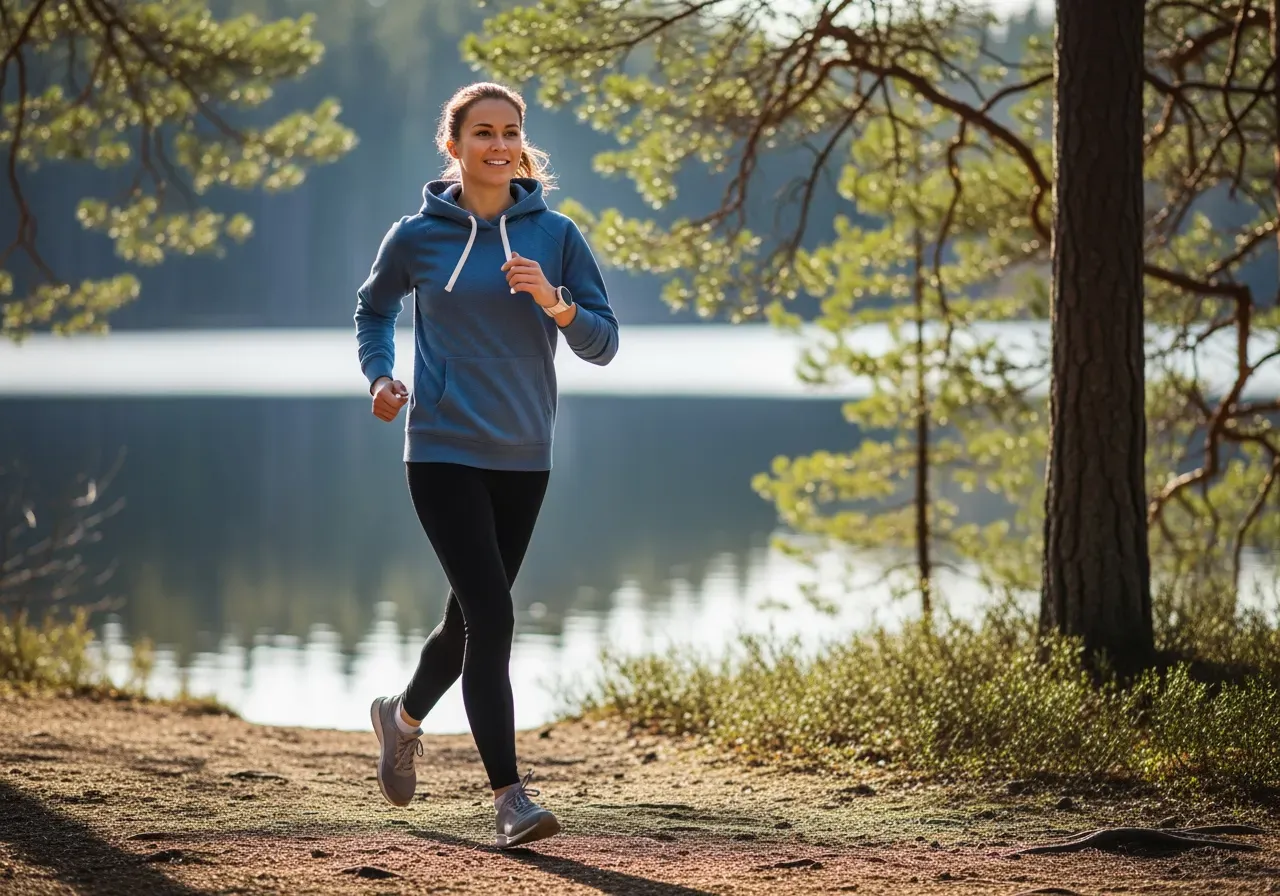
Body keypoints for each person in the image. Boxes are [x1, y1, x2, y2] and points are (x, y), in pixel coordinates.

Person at [353, 81, 619, 849]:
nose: (498, 146)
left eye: (510, 133)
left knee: (467, 617)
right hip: (439, 449)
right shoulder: (417, 236)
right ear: (454, 144)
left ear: (522, 144)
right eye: (482, 134)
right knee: (494, 614)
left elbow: (602, 342)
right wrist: (380, 375)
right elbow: (373, 308)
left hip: (524, 454)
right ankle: (509, 798)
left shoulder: (557, 235)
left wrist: (558, 304)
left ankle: (399, 718)